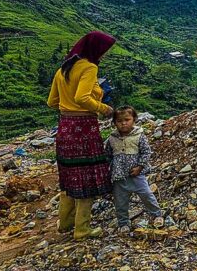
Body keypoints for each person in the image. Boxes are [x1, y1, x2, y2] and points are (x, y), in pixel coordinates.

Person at [47, 31, 115, 240]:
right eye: (103, 50)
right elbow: (82, 97)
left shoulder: (64, 68)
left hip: (65, 127)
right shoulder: (89, 67)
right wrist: (103, 108)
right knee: (86, 176)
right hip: (84, 128)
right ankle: (82, 229)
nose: (103, 54)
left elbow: (52, 102)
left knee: (69, 177)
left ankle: (65, 224)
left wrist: (68, 108)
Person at [105, 106, 164, 234]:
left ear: (134, 120)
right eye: (119, 121)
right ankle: (123, 222)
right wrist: (107, 172)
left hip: (136, 175)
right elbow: (108, 156)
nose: (123, 123)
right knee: (120, 201)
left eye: (127, 119)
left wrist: (140, 166)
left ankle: (157, 215)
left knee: (146, 195)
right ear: (114, 123)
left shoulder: (139, 135)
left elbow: (146, 152)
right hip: (119, 177)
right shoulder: (111, 138)